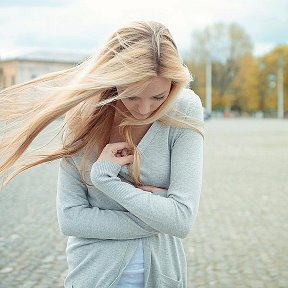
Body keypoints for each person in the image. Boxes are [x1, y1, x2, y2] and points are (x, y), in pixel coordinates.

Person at [0, 20, 204, 288]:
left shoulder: (184, 108)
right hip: (92, 277)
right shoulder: (83, 117)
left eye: (158, 97)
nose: (145, 109)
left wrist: (106, 181)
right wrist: (161, 214)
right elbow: (71, 219)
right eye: (132, 96)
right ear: (114, 79)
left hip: (162, 276)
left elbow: (181, 221)